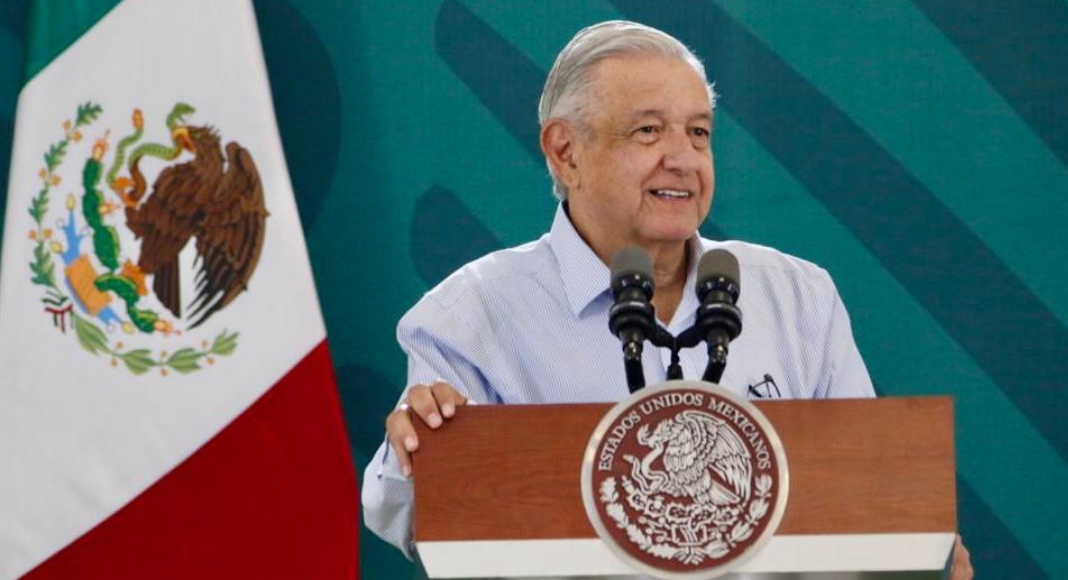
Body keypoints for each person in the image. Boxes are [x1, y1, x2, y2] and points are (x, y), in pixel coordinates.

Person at [361, 20, 972, 580]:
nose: (683, 159)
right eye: (648, 130)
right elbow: (408, 517)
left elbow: (868, 503)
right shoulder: (472, 315)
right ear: (565, 152)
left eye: (698, 132)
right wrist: (418, 445)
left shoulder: (797, 296)